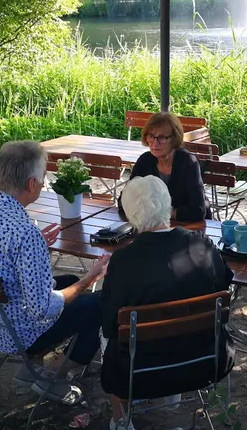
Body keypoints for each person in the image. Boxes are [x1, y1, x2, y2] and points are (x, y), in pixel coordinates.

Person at [0, 140, 110, 405]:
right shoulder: (24, 232)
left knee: (67, 281)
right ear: (32, 184)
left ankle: (31, 371)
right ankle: (51, 374)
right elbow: (42, 310)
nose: (45, 184)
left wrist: (37, 248)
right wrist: (90, 278)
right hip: (16, 333)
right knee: (104, 302)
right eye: (44, 178)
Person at [102, 176, 235, 430]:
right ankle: (172, 394)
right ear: (168, 205)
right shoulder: (201, 244)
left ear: (130, 215)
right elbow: (224, 283)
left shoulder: (123, 260)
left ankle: (121, 421)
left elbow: (109, 325)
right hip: (206, 361)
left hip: (137, 373)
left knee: (109, 332)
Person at [118, 111, 210, 221]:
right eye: (151, 136)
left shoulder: (188, 163)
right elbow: (123, 201)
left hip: (190, 228)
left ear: (175, 139)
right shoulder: (145, 161)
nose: (155, 143)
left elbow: (198, 211)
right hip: (155, 226)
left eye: (162, 138)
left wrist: (158, 213)